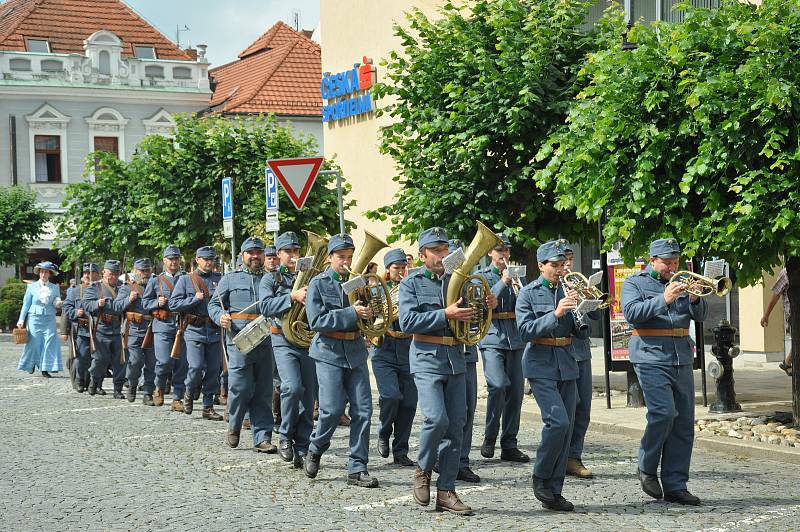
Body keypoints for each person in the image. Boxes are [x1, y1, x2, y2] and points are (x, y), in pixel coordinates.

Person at [399, 227, 497, 515]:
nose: (443, 255)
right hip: (427, 358)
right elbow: (407, 322)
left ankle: (447, 491)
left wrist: (487, 304)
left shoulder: (461, 279)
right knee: (435, 418)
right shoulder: (412, 283)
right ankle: (423, 469)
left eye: (445, 250)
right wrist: (445, 314)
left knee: (457, 426)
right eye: (436, 251)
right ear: (422, 255)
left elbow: (475, 316)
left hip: (456, 357)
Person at [621, 238, 708, 506]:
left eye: (676, 262)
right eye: (667, 262)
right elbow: (632, 313)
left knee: (683, 422)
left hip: (681, 354)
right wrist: (664, 299)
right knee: (663, 413)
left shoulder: (684, 281)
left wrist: (695, 299)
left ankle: (675, 484)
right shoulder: (635, 283)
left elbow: (701, 315)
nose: (672, 267)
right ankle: (646, 466)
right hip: (650, 354)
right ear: (653, 260)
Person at [303, 234, 379, 488]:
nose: (346, 262)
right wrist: (351, 312)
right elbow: (317, 321)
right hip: (328, 352)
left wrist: (370, 312)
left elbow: (368, 315)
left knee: (364, 411)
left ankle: (357, 467)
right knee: (332, 410)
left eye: (349, 257)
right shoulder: (318, 283)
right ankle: (315, 447)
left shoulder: (357, 283)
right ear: (330, 258)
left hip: (355, 350)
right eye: (341, 258)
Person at [515, 239, 583, 512]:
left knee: (566, 430)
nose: (559, 269)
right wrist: (556, 313)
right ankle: (541, 476)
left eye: (562, 264)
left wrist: (583, 309)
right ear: (541, 265)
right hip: (540, 363)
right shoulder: (529, 293)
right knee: (557, 422)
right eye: (554, 265)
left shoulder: (568, 289)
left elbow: (582, 330)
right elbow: (524, 331)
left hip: (566, 362)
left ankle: (554, 491)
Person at [210, 237, 276, 453]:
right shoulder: (230, 279)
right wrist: (220, 315)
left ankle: (262, 437)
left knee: (264, 390)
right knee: (240, 387)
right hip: (239, 341)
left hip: (266, 341)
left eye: (259, 252)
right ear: (242, 255)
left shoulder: (271, 279)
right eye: (251, 253)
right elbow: (213, 304)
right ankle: (234, 424)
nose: (255, 256)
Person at [260, 232, 316, 468]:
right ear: (279, 254)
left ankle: (302, 445)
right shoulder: (271, 280)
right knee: (292, 387)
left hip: (308, 341)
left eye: (296, 251)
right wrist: (291, 297)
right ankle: (285, 435)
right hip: (282, 339)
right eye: (288, 252)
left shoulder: (311, 276)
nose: (293, 256)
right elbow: (265, 306)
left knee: (308, 395)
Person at [477, 233, 529, 466]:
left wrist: (518, 285)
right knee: (498, 385)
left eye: (506, 251)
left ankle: (509, 444)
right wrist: (502, 282)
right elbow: (480, 303)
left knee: (516, 393)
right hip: (492, 336)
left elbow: (526, 301)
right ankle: (489, 436)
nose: (504, 255)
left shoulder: (518, 275)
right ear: (490, 253)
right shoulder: (481, 276)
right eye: (499, 251)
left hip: (515, 338)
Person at [373, 248, 417, 467]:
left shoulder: (413, 288)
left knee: (409, 403)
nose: (400, 271)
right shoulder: (378, 290)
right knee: (391, 396)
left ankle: (401, 450)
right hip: (385, 348)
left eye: (403, 267)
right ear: (388, 270)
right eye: (396, 268)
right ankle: (384, 431)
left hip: (409, 347)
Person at [169, 246, 224, 421]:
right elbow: (173, 304)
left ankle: (208, 406)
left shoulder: (219, 279)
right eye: (205, 259)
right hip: (194, 329)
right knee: (196, 366)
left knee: (214, 370)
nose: (209, 262)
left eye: (211, 259)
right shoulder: (186, 280)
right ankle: (189, 391)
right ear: (197, 260)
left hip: (214, 330)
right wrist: (194, 299)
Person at [561, 241, 600, 479]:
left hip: (581, 351)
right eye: (562, 260)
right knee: (567, 408)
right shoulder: (552, 286)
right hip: (560, 353)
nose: (566, 265)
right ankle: (559, 455)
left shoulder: (578, 282)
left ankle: (573, 456)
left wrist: (586, 295)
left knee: (583, 408)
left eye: (569, 259)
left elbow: (596, 313)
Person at [142, 245, 188, 411]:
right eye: (171, 259)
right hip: (162, 325)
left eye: (176, 258)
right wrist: (156, 303)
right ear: (164, 261)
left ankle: (177, 398)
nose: (174, 262)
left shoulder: (186, 279)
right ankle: (159, 386)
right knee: (164, 361)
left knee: (182, 364)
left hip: (182, 325)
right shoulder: (156, 281)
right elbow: (145, 303)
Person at [82, 260, 127, 397]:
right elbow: (86, 305)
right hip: (101, 329)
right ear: (104, 272)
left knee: (120, 361)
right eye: (111, 273)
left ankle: (117, 389)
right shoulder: (95, 287)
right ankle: (95, 382)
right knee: (100, 360)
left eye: (116, 274)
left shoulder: (122, 288)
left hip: (118, 329)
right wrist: (97, 303)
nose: (113, 276)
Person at [118, 258, 157, 406]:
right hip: (134, 328)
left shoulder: (156, 286)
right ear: (135, 271)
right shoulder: (127, 288)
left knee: (152, 363)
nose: (145, 273)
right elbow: (117, 306)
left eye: (147, 270)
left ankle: (148, 393)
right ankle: (132, 385)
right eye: (142, 271)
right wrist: (129, 299)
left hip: (152, 328)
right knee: (135, 361)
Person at [17, 261, 63, 377]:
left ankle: (45, 368)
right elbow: (26, 305)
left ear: (50, 274)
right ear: (39, 273)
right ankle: (30, 364)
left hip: (49, 318)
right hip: (34, 318)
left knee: (49, 342)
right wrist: (21, 320)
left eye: (46, 272)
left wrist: (58, 303)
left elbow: (56, 301)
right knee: (33, 343)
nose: (44, 274)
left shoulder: (54, 287)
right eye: (42, 272)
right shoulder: (31, 287)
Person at [63, 263, 100, 392]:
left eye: (90, 273)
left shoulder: (101, 289)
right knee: (81, 356)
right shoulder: (75, 290)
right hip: (82, 329)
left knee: (96, 357)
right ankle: (79, 380)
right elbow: (66, 307)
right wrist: (75, 312)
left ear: (97, 275)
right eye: (85, 274)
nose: (87, 276)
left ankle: (92, 382)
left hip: (99, 329)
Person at [761, 267, 795, 376]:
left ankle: (787, 362)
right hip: (793, 314)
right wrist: (766, 315)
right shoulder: (786, 272)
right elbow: (776, 294)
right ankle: (787, 362)